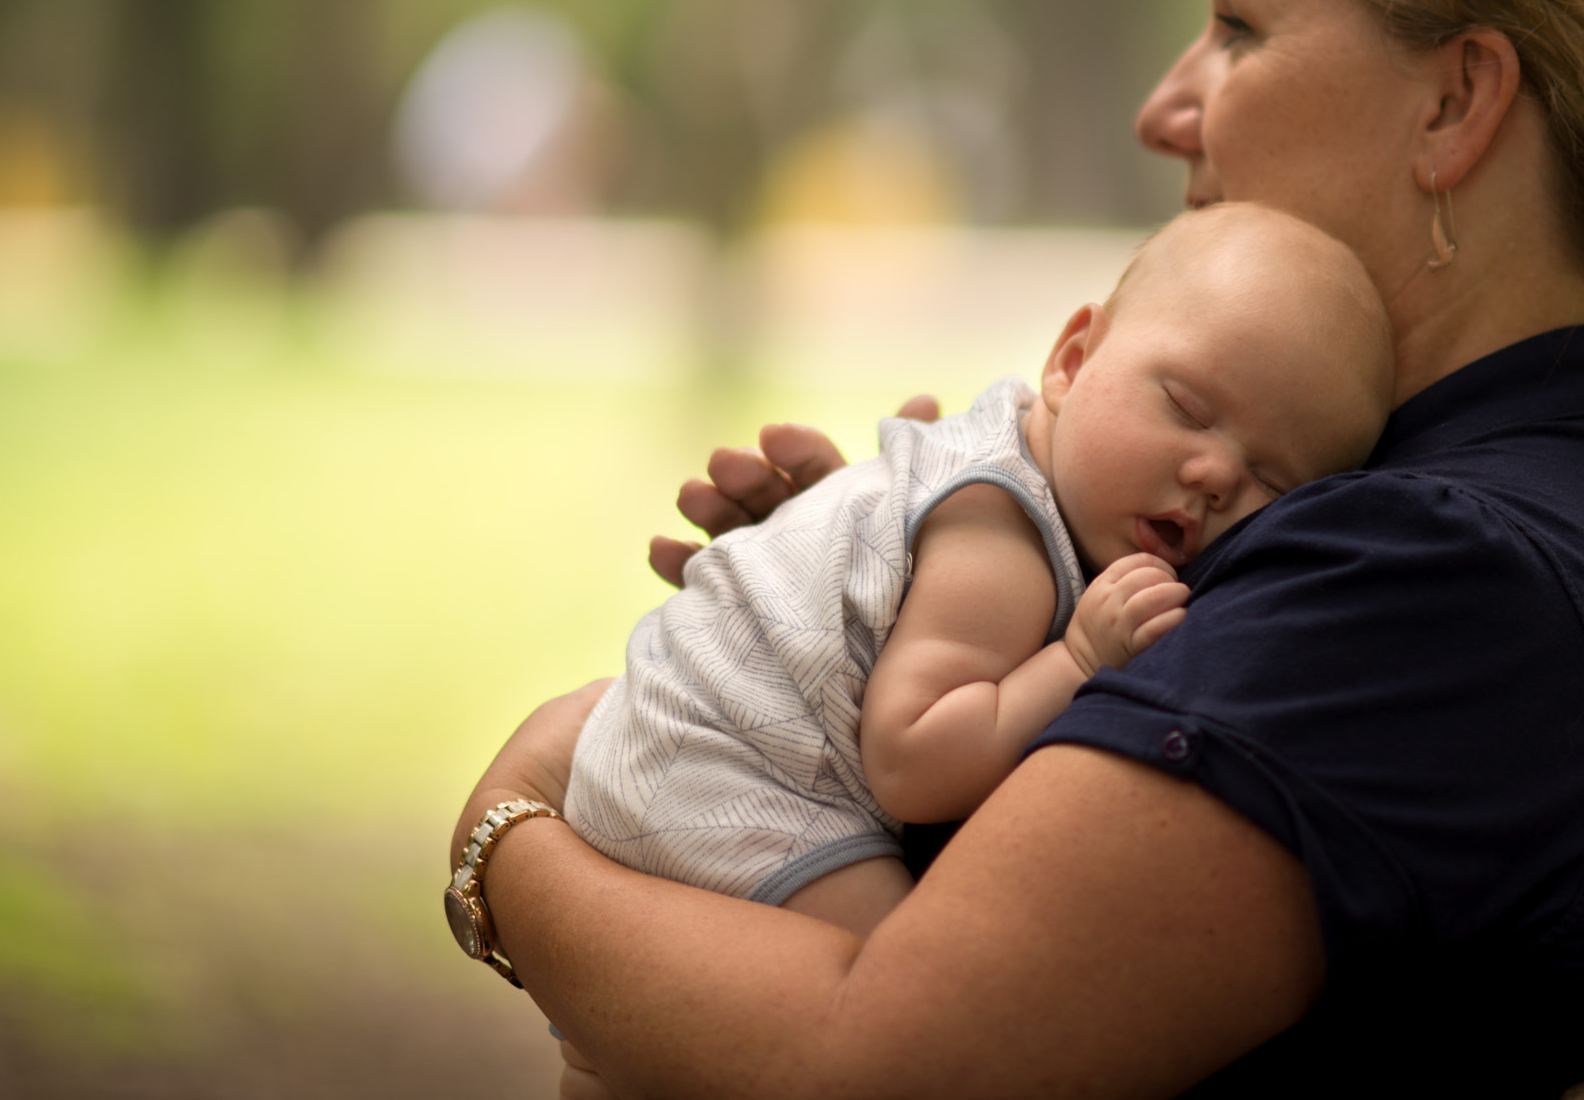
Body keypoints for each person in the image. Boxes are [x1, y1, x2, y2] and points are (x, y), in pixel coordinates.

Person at [450, 0, 1584, 1096]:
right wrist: (857, 617)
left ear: (1456, 101)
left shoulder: (1430, 579)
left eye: (1239, 25)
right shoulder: (1536, 475)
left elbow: (872, 1064)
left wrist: (518, 828)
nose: (1163, 106)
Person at [563, 204, 1392, 938]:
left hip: (660, 742)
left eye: (1274, 482)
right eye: (1186, 406)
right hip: (720, 771)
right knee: (895, 985)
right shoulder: (1003, 539)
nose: (1215, 472)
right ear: (1071, 359)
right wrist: (1076, 660)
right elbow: (912, 760)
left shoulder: (1015, 454)